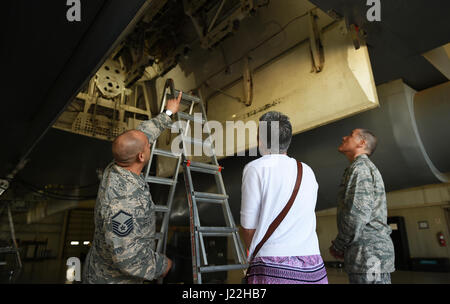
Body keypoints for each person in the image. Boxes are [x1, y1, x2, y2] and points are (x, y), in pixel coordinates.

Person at [83, 92, 182, 283]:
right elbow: (127, 258)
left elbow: (141, 135)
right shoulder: (124, 202)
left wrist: (168, 112)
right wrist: (164, 265)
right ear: (141, 157)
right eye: (148, 145)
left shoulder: (116, 166)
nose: (149, 144)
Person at [240, 111, 328, 284]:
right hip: (313, 267)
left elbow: (248, 228)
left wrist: (255, 251)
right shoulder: (307, 170)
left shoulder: (255, 169)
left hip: (272, 267)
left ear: (260, 139)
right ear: (287, 141)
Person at [329, 128, 395, 284]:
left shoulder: (360, 169)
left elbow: (357, 215)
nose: (344, 136)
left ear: (362, 142)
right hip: (368, 255)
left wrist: (339, 245)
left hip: (368, 255)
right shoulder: (360, 168)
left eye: (351, 135)